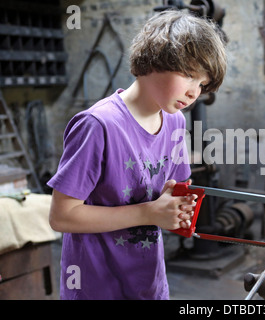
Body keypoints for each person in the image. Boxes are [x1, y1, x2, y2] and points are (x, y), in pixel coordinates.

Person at [48, 10, 227, 300]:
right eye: (189, 76)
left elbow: (177, 189)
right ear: (154, 59)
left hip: (149, 282)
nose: (195, 92)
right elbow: (62, 217)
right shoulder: (98, 125)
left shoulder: (175, 122)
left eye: (202, 84)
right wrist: (149, 212)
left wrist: (176, 206)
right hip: (96, 285)